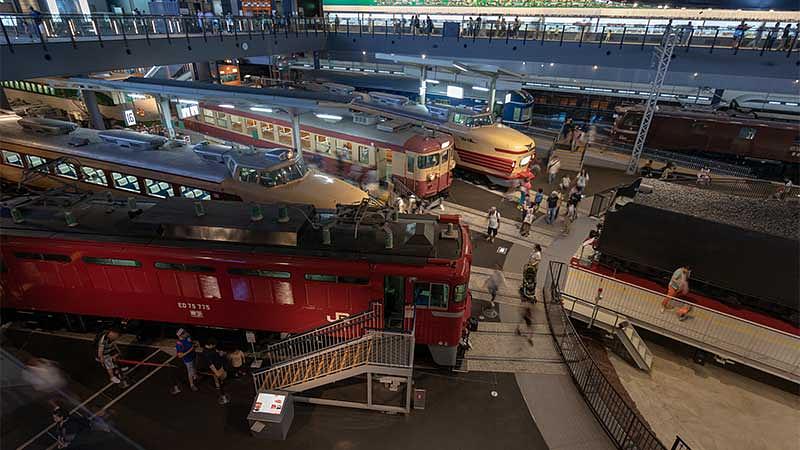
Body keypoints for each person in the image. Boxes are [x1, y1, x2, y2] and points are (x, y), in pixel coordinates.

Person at [204, 339, 230, 405]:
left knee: (222, 377)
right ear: (210, 345)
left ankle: (220, 385)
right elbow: (210, 365)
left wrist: (219, 353)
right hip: (216, 368)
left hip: (219, 365)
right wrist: (216, 372)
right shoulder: (206, 353)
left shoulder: (212, 350)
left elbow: (216, 353)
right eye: (214, 345)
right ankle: (221, 393)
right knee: (220, 378)